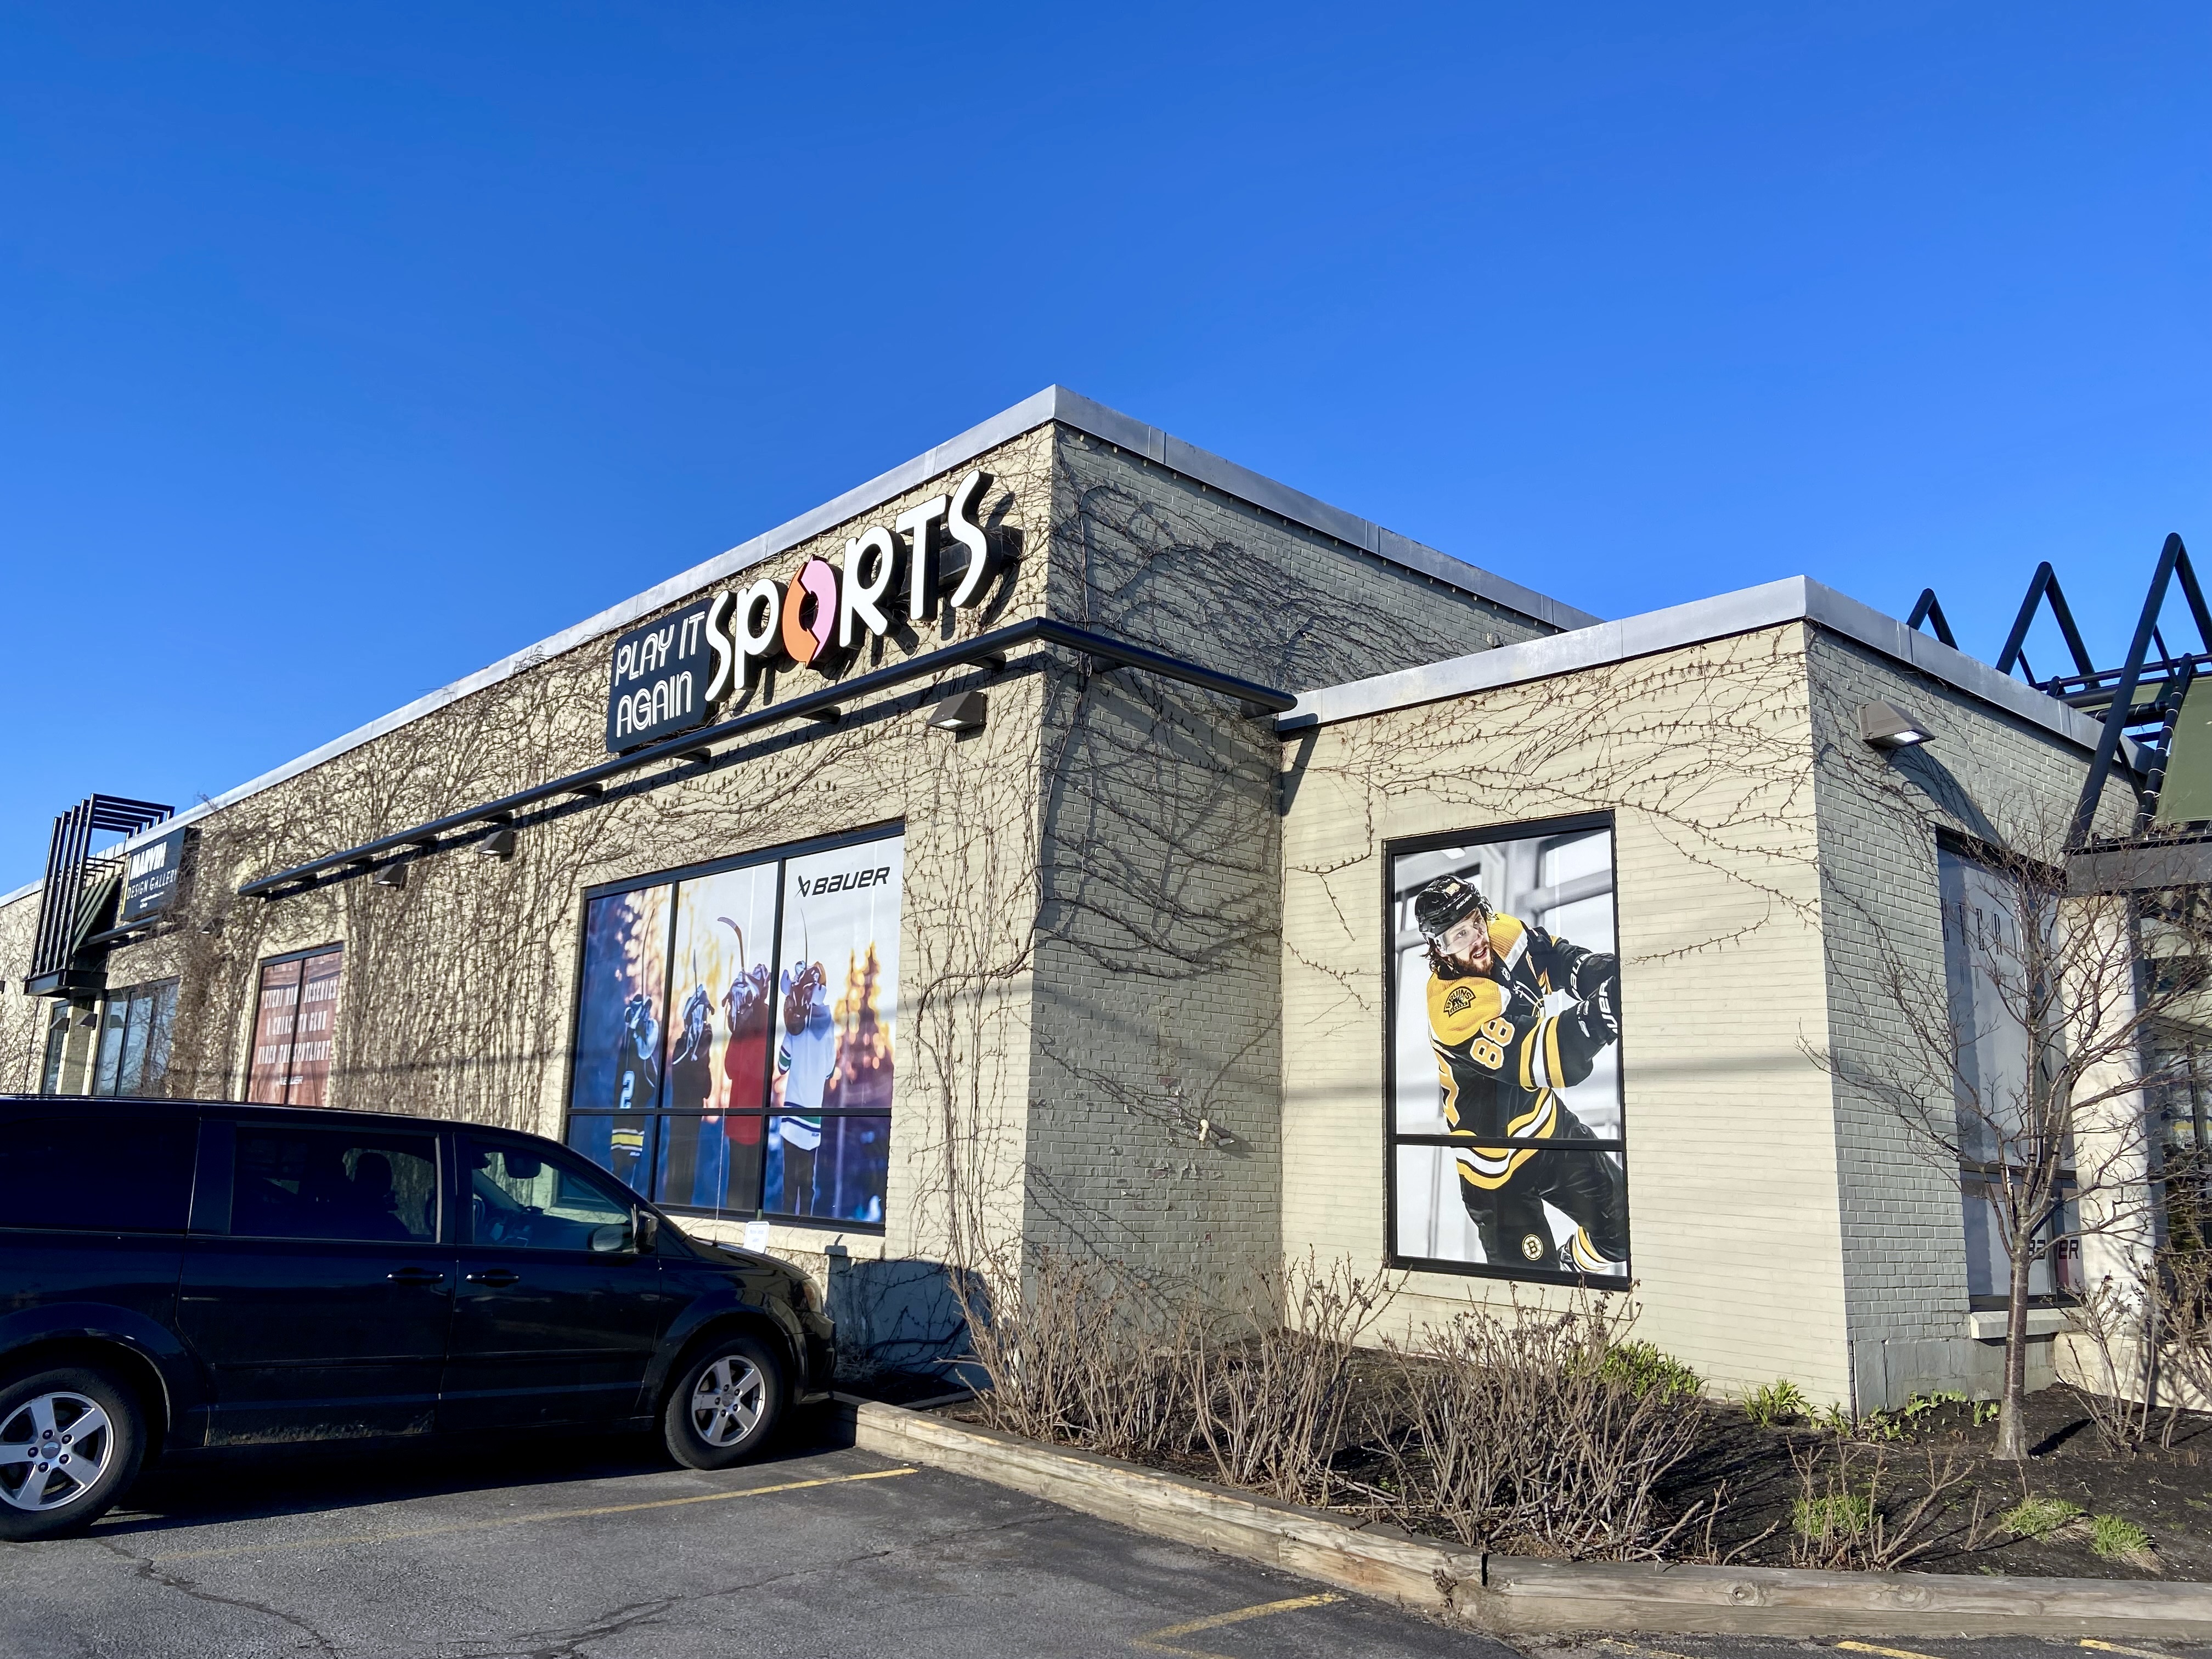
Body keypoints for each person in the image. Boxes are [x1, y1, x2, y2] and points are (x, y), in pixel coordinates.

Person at [1414, 873, 1628, 1275]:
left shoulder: (1504, 934)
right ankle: (1551, 1275)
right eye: (1458, 935)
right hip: (1494, 1170)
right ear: (1439, 949)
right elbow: (1545, 1058)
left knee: (1622, 1229)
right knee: (1532, 1293)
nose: (1476, 938)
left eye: (1475, 922)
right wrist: (1605, 1010)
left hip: (1548, 1129)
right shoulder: (1452, 1008)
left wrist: (1618, 974)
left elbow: (1561, 962)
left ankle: (1570, 1265)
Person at [771, 961, 834, 1215]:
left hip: (792, 1112)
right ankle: (805, 1226)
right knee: (808, 1184)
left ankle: (787, 1227)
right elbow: (830, 1071)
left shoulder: (795, 1029)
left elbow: (782, 1065)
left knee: (790, 1184)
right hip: (812, 1116)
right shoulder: (828, 1029)